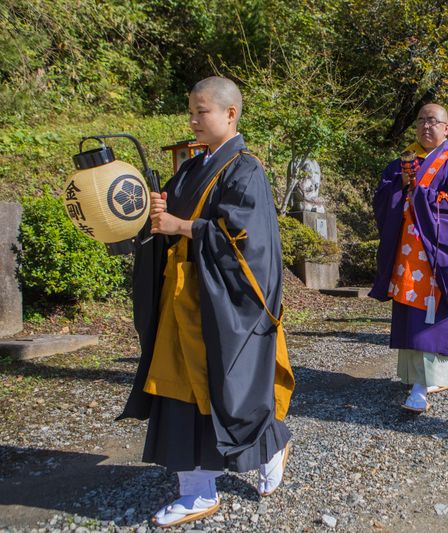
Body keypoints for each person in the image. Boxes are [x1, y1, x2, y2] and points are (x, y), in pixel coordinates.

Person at [119, 77, 295, 527]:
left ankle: (269, 448)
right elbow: (171, 220)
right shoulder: (192, 167)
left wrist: (184, 227)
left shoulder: (244, 168)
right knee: (179, 391)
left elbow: (246, 242)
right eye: (191, 112)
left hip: (220, 304)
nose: (193, 120)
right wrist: (156, 211)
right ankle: (197, 490)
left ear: (230, 114)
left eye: (202, 112)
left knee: (229, 392)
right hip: (181, 299)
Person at [370, 103, 448, 413]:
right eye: (420, 121)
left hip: (436, 254)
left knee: (429, 313)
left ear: (447, 128)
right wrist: (401, 187)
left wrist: (420, 193)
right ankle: (413, 376)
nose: (426, 127)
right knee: (409, 311)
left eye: (433, 121)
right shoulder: (404, 161)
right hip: (406, 253)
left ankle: (426, 382)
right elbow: (383, 197)